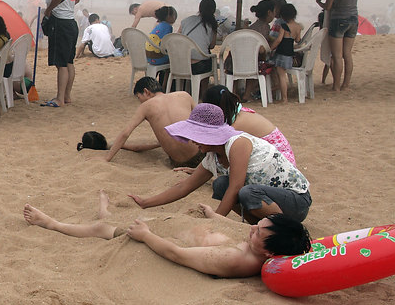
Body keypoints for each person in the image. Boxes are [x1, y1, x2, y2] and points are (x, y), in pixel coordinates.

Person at [22, 191, 310, 279]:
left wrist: (146, 236)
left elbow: (178, 255)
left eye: (258, 231)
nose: (251, 228)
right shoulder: (260, 247)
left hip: (164, 237)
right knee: (120, 221)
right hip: (176, 226)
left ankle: (51, 223)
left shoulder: (235, 260)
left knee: (106, 230)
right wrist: (214, 216)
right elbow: (238, 231)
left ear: (270, 253)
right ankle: (105, 211)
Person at [129, 103, 312, 223]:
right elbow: (184, 187)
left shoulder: (237, 143)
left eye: (197, 136)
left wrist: (215, 220)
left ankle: (284, 228)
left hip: (296, 201)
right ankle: (256, 224)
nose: (193, 141)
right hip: (267, 199)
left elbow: (236, 186)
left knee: (245, 191)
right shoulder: (213, 157)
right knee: (220, 184)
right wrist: (146, 202)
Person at [103, 76, 199, 167]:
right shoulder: (184, 95)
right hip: (201, 155)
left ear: (146, 92)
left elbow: (125, 133)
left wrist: (107, 159)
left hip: (179, 162)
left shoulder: (145, 106)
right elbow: (202, 122)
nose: (140, 101)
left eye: (139, 97)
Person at [202, 85, 296, 165]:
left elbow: (216, 150)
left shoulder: (235, 126)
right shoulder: (238, 112)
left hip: (280, 163)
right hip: (282, 156)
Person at [43, 0, 80, 107]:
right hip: (71, 23)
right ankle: (66, 96)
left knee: (61, 64)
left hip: (61, 24)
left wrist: (49, 10)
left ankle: (60, 98)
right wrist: (68, 7)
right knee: (69, 61)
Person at [314, 0, 358, 91]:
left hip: (338, 20)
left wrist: (318, 1)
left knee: (337, 56)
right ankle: (346, 85)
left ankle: (336, 86)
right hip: (354, 19)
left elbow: (327, 7)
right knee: (347, 53)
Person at [266, 3, 302, 103]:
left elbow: (278, 40)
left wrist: (270, 48)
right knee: (283, 75)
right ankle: (283, 97)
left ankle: (284, 98)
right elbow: (298, 39)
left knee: (281, 76)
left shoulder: (284, 26)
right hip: (290, 55)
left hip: (281, 54)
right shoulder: (298, 27)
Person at [178, 0, 218, 81]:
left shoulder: (186, 20)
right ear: (213, 10)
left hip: (181, 64)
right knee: (208, 57)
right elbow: (212, 45)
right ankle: (202, 92)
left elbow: (177, 38)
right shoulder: (212, 24)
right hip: (199, 66)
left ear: (200, 8)